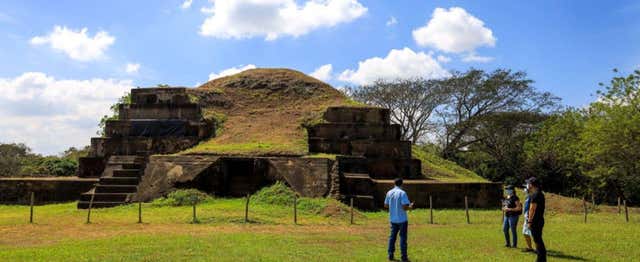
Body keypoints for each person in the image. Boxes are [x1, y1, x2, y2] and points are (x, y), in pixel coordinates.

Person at [384, 178, 414, 262]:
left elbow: (385, 205)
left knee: (392, 238)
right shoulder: (402, 193)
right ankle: (403, 257)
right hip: (402, 219)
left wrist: (393, 206)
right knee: (403, 238)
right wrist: (410, 207)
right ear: (402, 184)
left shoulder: (389, 192)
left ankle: (390, 255)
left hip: (393, 219)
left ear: (394, 183)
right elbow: (405, 207)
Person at [526, 177, 546, 262]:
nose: (528, 185)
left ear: (532, 184)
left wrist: (529, 221)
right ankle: (540, 259)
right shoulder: (541, 194)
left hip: (535, 221)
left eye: (529, 183)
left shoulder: (534, 195)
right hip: (540, 220)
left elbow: (532, 209)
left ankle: (541, 259)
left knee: (538, 241)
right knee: (538, 240)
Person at [522, 187, 535, 252]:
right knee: (525, 232)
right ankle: (530, 247)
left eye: (526, 190)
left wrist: (529, 218)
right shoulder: (527, 198)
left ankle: (537, 248)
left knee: (533, 233)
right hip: (526, 217)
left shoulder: (532, 197)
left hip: (529, 217)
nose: (524, 191)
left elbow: (532, 208)